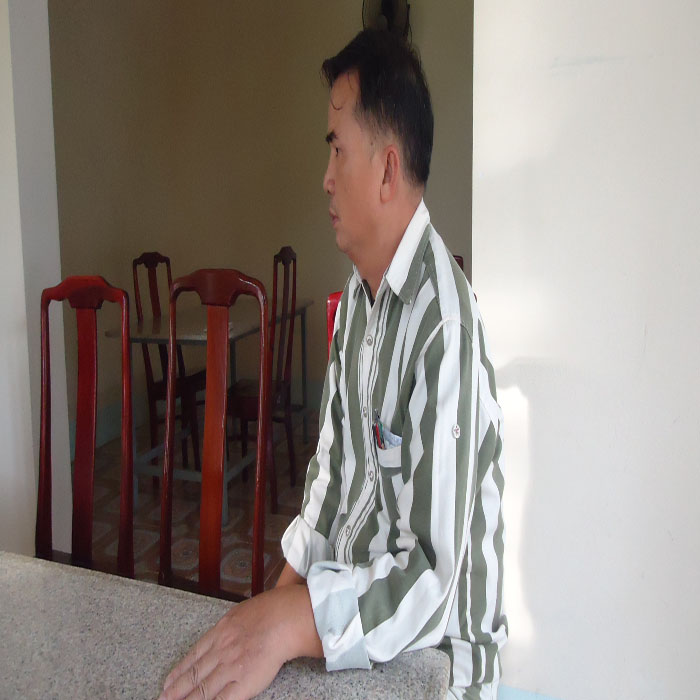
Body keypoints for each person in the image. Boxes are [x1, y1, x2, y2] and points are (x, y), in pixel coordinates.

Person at [159, 29, 507, 700]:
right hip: (360, 630)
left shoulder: (445, 327)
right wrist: (268, 609)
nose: (325, 177)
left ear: (387, 169)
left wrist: (291, 624)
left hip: (435, 666)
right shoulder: (358, 300)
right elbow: (331, 478)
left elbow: (431, 584)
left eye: (337, 150)